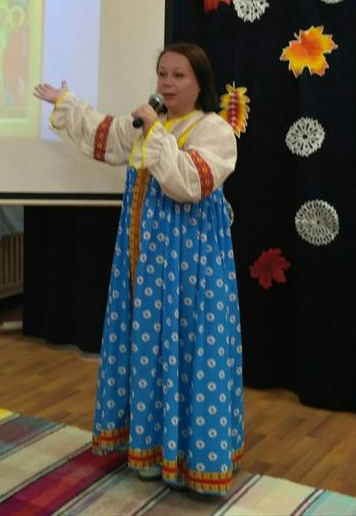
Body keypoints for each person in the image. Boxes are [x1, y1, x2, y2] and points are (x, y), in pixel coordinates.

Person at [33, 42, 244, 495]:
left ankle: (193, 457)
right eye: (162, 74)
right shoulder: (153, 124)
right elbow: (105, 135)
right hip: (144, 263)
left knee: (187, 346)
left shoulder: (214, 131)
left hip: (191, 267)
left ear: (199, 83)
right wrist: (66, 103)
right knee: (149, 345)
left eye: (178, 75)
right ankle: (149, 448)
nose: (166, 83)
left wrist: (155, 132)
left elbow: (188, 183)